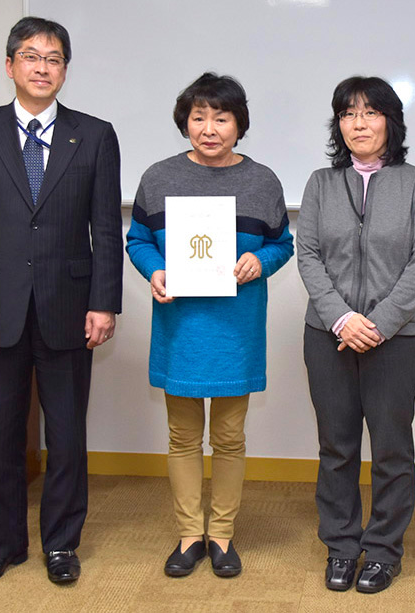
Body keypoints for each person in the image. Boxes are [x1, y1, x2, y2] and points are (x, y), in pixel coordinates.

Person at [0, 17, 123, 584]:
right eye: (31, 57)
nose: (42, 67)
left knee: (66, 434)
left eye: (54, 58)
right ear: (9, 65)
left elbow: (105, 227)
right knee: (1, 434)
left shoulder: (96, 134)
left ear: (65, 69)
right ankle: (4, 543)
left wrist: (104, 303)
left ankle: (61, 544)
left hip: (69, 306)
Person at [126, 72, 293, 579]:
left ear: (239, 125)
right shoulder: (158, 177)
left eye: (221, 118)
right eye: (199, 117)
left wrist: (259, 262)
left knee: (229, 437)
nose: (209, 127)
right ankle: (187, 535)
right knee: (181, 436)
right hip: (182, 325)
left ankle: (221, 535)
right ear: (185, 124)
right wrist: (154, 269)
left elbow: (283, 243)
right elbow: (137, 239)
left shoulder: (262, 180)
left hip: (235, 328)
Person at [297, 76, 415, 593]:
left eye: (370, 112)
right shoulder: (320, 183)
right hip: (328, 336)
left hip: (395, 341)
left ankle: (382, 551)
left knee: (391, 449)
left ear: (390, 121)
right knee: (335, 447)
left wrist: (379, 324)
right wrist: (342, 318)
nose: (359, 123)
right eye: (348, 113)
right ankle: (341, 547)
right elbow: (308, 255)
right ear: (338, 124)